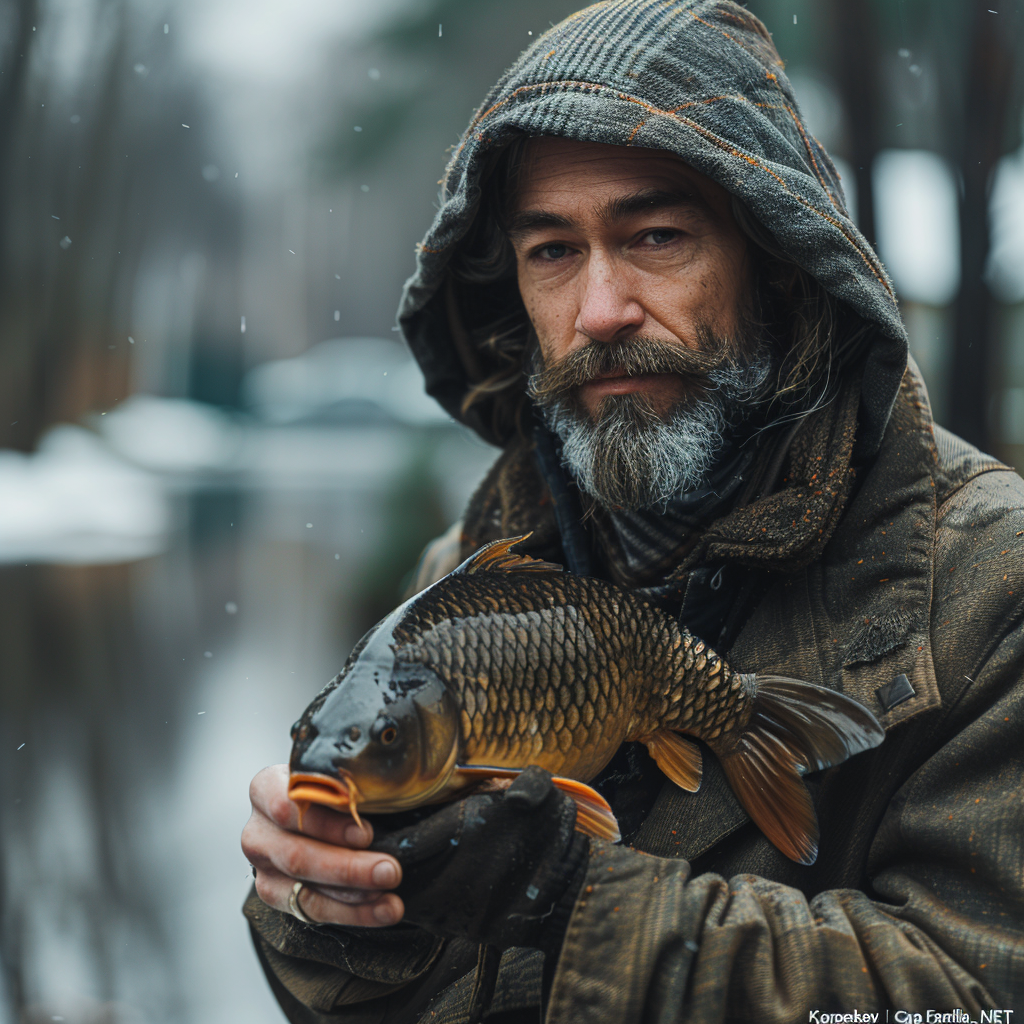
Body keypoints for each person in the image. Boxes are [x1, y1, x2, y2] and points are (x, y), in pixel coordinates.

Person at [240, 2, 1024, 1020]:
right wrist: (319, 908)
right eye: (552, 252)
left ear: (778, 262)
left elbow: (974, 997)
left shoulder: (993, 584)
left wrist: (577, 906)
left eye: (654, 235)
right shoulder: (463, 570)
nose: (600, 311)